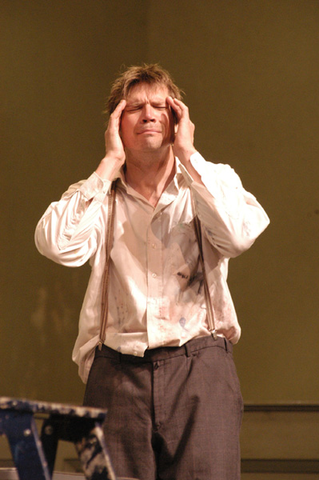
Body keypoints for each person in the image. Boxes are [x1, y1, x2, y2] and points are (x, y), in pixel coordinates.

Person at [35, 63, 269, 480]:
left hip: (200, 368)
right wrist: (109, 163)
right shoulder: (98, 195)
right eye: (135, 107)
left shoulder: (211, 181)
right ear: (115, 123)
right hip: (117, 373)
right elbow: (56, 244)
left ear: (178, 118)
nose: (149, 114)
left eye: (161, 106)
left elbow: (236, 236)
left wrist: (189, 156)